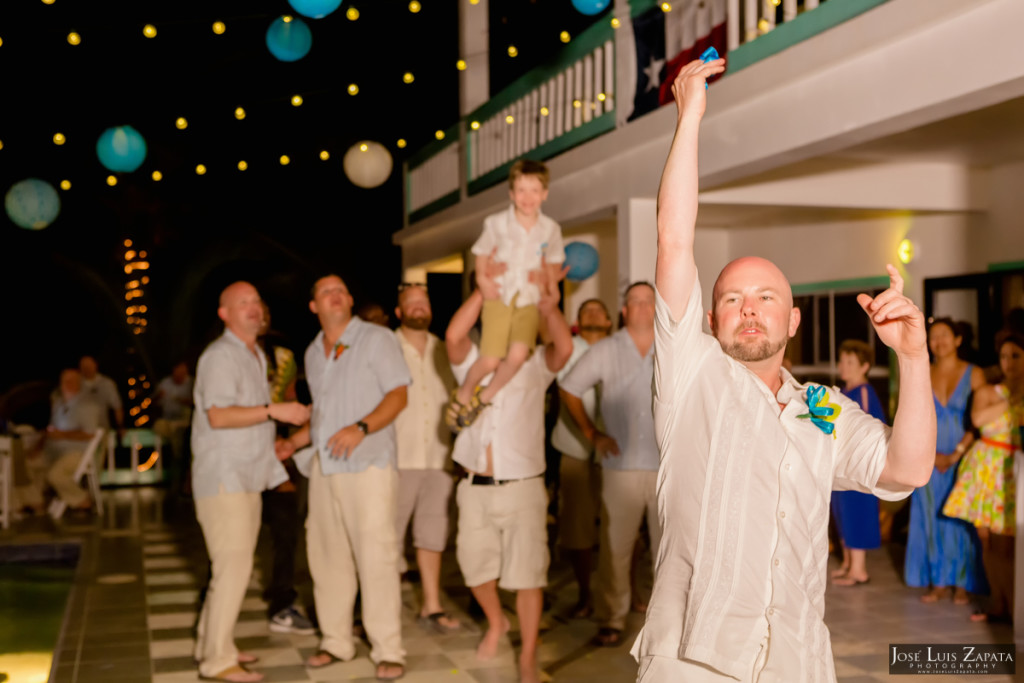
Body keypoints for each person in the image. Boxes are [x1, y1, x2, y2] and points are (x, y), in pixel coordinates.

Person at [631, 57, 936, 681]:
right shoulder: (693, 379)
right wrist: (690, 116)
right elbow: (674, 239)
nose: (749, 310)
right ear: (710, 322)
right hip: (692, 659)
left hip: (796, 661)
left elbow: (908, 468)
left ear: (792, 322)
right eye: (732, 299)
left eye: (767, 298)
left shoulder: (823, 409)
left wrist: (912, 358)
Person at [277, 275, 410, 681]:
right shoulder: (313, 353)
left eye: (340, 290)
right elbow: (323, 409)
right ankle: (336, 641)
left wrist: (362, 427)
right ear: (314, 306)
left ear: (350, 299)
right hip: (324, 467)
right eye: (324, 292)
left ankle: (388, 648)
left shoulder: (376, 339)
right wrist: (293, 442)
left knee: (376, 557)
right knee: (326, 556)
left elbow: (398, 395)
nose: (333, 295)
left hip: (368, 463)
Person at [445, 268, 573, 683]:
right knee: (475, 568)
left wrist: (550, 309)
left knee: (527, 575)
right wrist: (485, 293)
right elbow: (452, 336)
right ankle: (496, 622)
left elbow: (565, 347)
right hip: (473, 487)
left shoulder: (536, 364)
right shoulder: (472, 361)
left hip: (522, 488)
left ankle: (527, 657)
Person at [190, 281, 310, 683]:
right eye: (243, 303)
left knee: (232, 566)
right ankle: (217, 662)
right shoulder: (220, 356)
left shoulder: (255, 355)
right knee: (233, 568)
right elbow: (219, 416)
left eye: (257, 301)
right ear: (224, 314)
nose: (254, 308)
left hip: (248, 475)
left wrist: (273, 445)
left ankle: (213, 642)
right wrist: (276, 409)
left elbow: (247, 419)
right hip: (226, 480)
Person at [560, 283, 660, 647]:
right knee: (616, 548)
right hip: (620, 467)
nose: (642, 307)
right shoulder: (606, 350)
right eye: (635, 301)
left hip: (668, 468)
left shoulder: (673, 347)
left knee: (670, 550)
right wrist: (591, 433)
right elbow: (568, 387)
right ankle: (612, 619)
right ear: (624, 310)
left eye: (649, 301)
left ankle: (670, 624)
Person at [448, 159, 566, 430]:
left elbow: (552, 262)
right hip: (499, 294)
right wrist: (482, 279)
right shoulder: (496, 223)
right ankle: (466, 391)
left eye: (534, 191)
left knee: (517, 354)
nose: (527, 198)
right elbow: (480, 254)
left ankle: (484, 398)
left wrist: (551, 289)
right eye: (521, 191)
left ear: (545, 194)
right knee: (489, 359)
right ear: (512, 194)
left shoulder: (550, 229)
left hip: (529, 298)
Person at [391, 283, 461, 633]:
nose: (419, 307)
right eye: (411, 303)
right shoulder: (386, 347)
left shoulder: (446, 350)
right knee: (387, 538)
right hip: (396, 459)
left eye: (424, 302)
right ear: (399, 312)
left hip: (438, 459)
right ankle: (379, 608)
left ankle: (431, 605)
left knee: (433, 535)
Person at [943, 330, 1023, 622]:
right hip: (985, 467)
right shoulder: (988, 391)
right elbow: (978, 420)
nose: (1009, 362)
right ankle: (997, 602)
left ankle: (1016, 607)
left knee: (1008, 542)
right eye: (1004, 356)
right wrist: (1011, 397)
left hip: (1013, 470)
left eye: (1015, 356)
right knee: (986, 538)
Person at [905, 318, 986, 604]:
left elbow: (981, 421)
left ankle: (963, 581)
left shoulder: (974, 374)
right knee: (931, 517)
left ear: (958, 340)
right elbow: (912, 416)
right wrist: (929, 455)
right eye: (933, 336)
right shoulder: (923, 372)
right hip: (928, 456)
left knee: (960, 520)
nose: (938, 341)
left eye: (944, 335)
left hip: (964, 456)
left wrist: (956, 454)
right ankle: (938, 581)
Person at [550, 298, 613, 619]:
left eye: (598, 310)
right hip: (574, 448)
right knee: (577, 527)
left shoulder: (621, 349)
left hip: (616, 451)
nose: (592, 313)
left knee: (619, 525)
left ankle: (619, 594)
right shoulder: (567, 349)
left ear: (608, 321)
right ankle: (585, 595)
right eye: (585, 310)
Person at [256, 302, 314, 636]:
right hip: (240, 457)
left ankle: (282, 601)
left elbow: (291, 399)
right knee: (235, 533)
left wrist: (290, 446)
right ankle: (214, 603)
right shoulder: (228, 356)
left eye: (265, 310)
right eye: (252, 308)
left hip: (276, 453)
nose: (260, 315)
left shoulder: (284, 357)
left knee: (286, 527)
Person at [830, 340, 885, 587]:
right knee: (841, 511)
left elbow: (861, 427)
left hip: (858, 464)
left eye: (850, 362)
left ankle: (859, 570)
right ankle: (848, 563)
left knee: (856, 511)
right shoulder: (843, 392)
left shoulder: (862, 391)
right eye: (842, 361)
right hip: (841, 461)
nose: (843, 366)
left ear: (864, 366)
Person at [41, 368, 104, 511]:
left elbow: (90, 434)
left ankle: (83, 500)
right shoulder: (58, 404)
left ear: (79, 383)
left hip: (77, 452)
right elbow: (51, 430)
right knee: (26, 464)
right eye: (64, 381)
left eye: (71, 381)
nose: (67, 384)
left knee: (55, 475)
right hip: (54, 450)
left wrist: (62, 435)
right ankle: (33, 503)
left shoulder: (87, 405)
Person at [153, 361, 193, 496]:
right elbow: (153, 401)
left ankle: (179, 459)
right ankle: (178, 455)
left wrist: (184, 401)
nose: (180, 376)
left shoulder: (192, 384)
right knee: (166, 428)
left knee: (180, 433)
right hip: (168, 420)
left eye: (183, 373)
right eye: (177, 374)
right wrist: (159, 396)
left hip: (185, 421)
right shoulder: (165, 383)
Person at [79, 355, 125, 434]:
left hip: (102, 429)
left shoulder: (107, 384)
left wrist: (120, 426)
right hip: (79, 431)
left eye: (89, 365)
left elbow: (117, 406)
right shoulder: (75, 384)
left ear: (95, 365)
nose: (87, 369)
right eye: (84, 366)